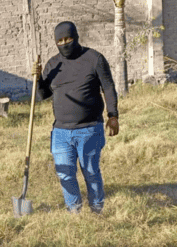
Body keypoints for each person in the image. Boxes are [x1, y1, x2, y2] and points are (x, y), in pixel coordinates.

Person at [33, 21, 119, 214]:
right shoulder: (53, 64)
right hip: (61, 132)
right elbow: (42, 95)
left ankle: (97, 209)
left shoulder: (94, 58)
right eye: (60, 41)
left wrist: (113, 115)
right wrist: (38, 78)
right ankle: (74, 212)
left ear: (76, 37)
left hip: (89, 129)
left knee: (90, 172)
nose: (64, 43)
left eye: (68, 39)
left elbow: (108, 87)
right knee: (65, 174)